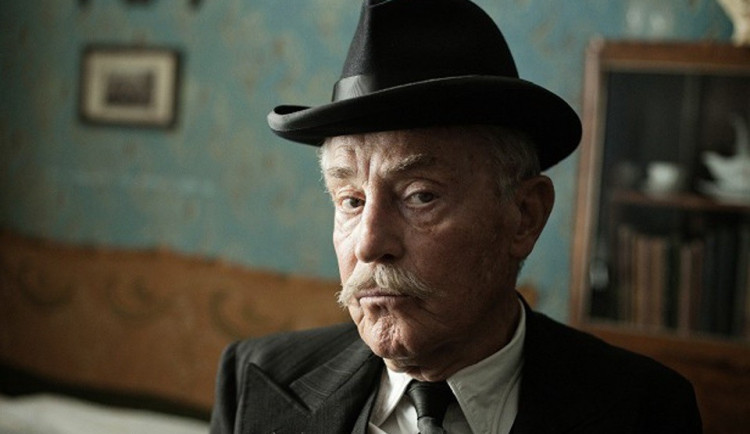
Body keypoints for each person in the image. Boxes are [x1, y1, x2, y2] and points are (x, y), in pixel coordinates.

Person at [210, 0, 702, 433]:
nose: (369, 244)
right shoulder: (255, 379)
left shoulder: (645, 411)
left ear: (524, 216)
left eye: (420, 196)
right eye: (352, 201)